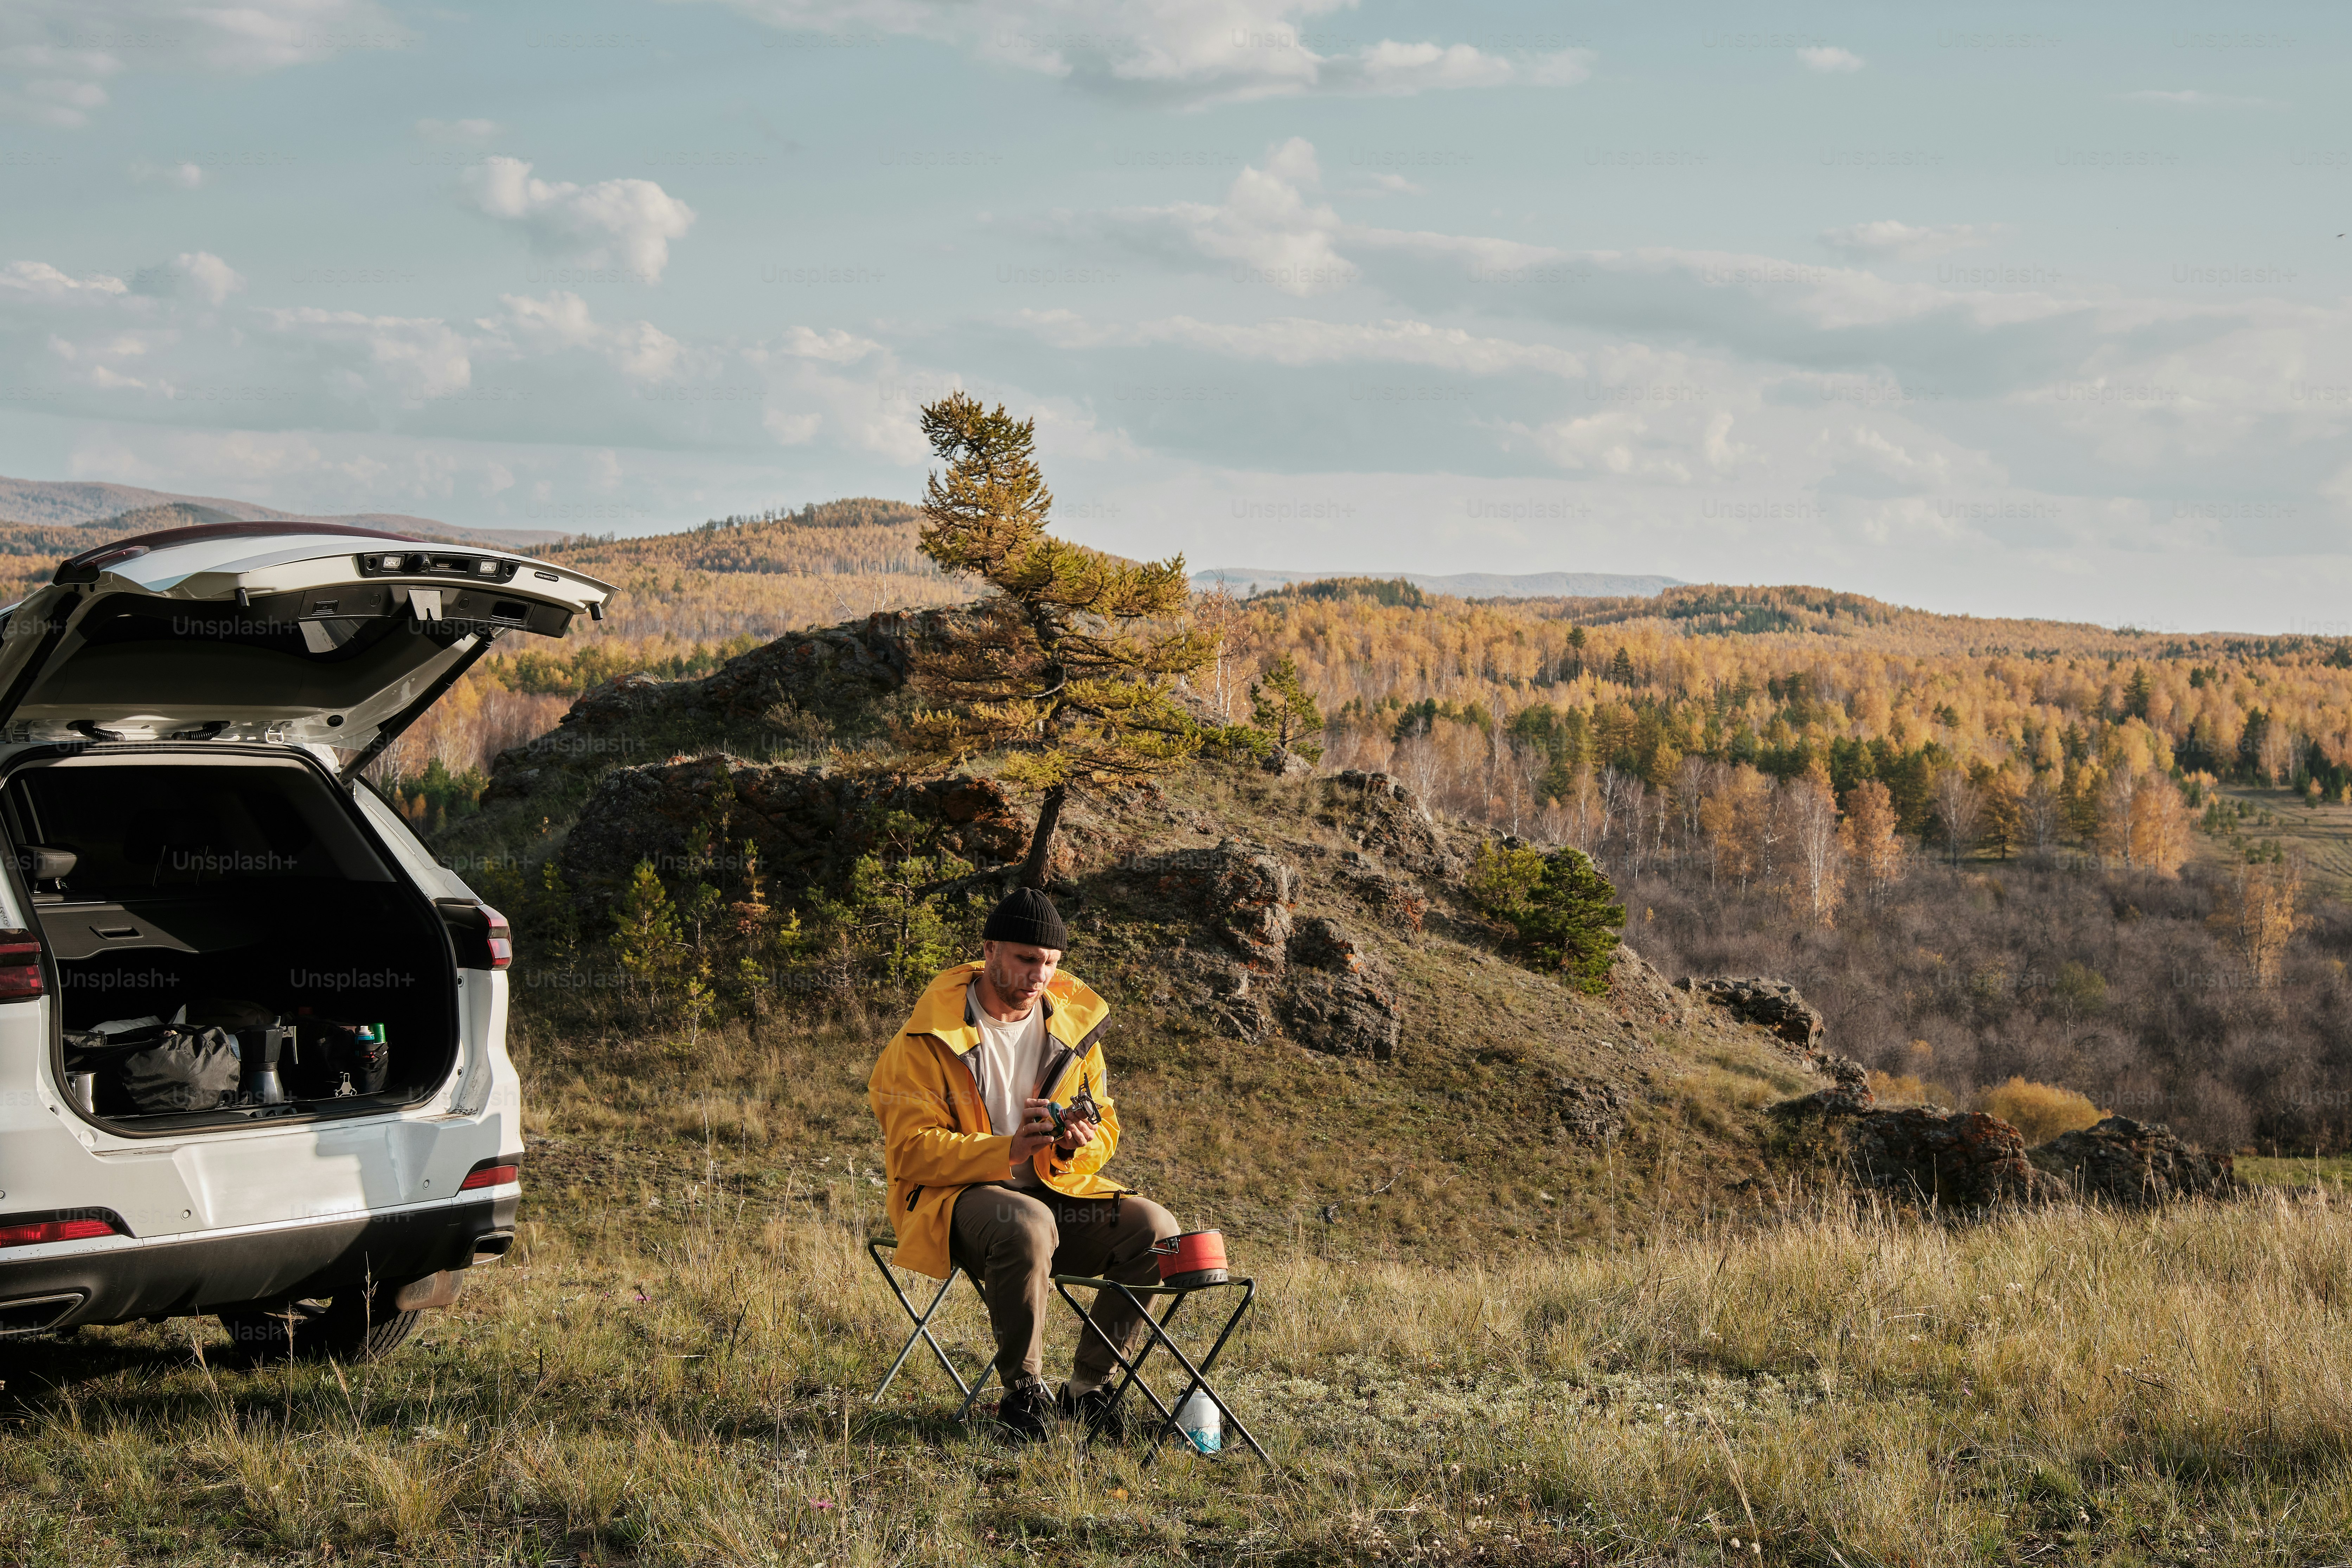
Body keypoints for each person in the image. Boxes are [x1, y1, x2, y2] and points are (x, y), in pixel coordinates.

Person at [869, 886, 1179, 1440]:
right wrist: (1006, 1151)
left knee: (1157, 1230)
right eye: (1027, 959)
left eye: (1052, 963)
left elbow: (1105, 1123)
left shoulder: (1074, 1029)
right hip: (957, 1200)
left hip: (1057, 1191)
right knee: (1025, 1222)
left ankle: (1087, 1390)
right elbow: (911, 1150)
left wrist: (1072, 1144)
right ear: (989, 952)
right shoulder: (924, 1039)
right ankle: (1024, 1395)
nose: (1041, 975)